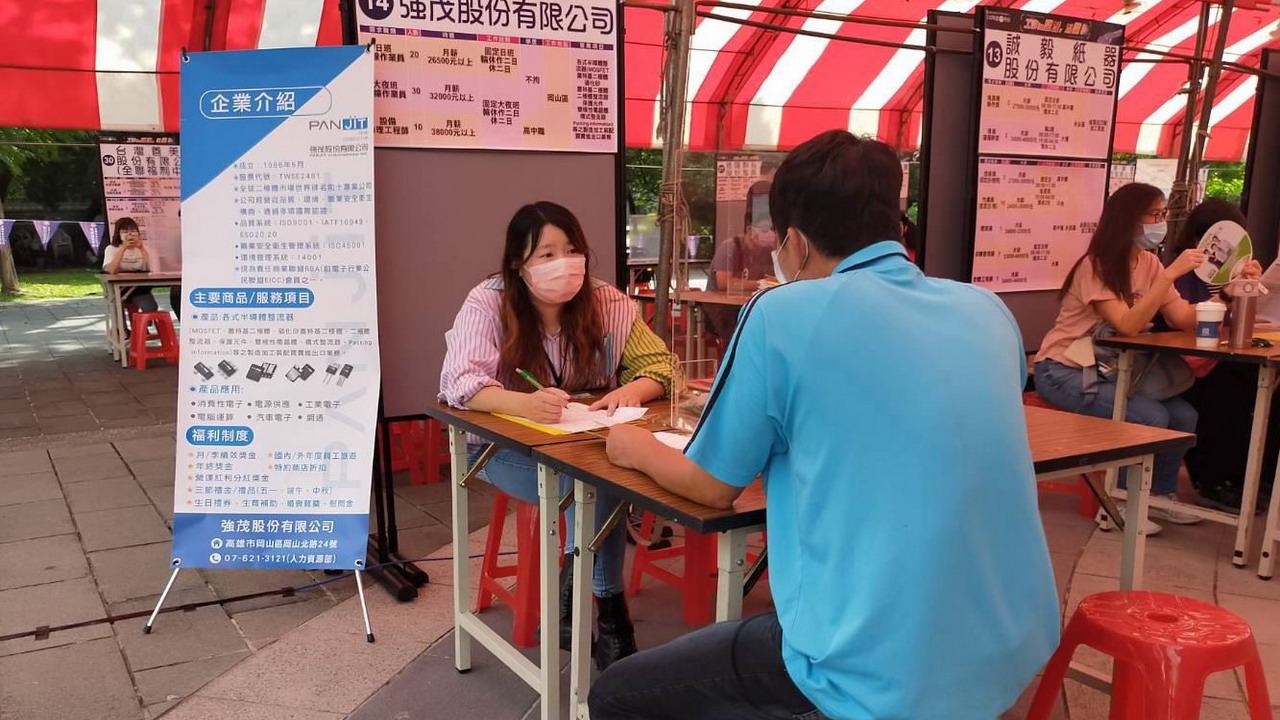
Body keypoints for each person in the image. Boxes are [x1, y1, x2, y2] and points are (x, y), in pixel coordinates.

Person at [591, 130, 1059, 720]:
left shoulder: (781, 314)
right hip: (1013, 647)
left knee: (616, 696)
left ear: (794, 243)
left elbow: (711, 485)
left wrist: (630, 445)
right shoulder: (988, 310)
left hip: (868, 669)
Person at [439, 201, 675, 670]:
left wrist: (630, 389)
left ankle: (581, 603)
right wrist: (521, 403)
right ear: (517, 263)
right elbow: (459, 382)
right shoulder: (489, 300)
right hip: (502, 451)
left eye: (571, 249)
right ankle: (609, 613)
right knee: (598, 479)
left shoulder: (608, 301)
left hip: (582, 442)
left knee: (600, 474)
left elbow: (663, 367)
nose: (563, 263)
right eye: (545, 254)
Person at [1033, 183, 1205, 535]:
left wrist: (1228, 292)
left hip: (1114, 370)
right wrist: (1171, 275)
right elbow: (1128, 324)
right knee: (1148, 415)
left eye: (1162, 215)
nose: (1161, 223)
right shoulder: (1096, 266)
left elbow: (1182, 318)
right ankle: (1120, 502)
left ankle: (1160, 496)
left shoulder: (1150, 263)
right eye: (1154, 216)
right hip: (1063, 368)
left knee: (1184, 414)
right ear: (1128, 220)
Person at [1163, 200, 1271, 511]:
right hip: (1182, 363)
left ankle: (1250, 477)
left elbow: (1236, 321)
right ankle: (1212, 480)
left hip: (1216, 357)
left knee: (1253, 384)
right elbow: (1182, 320)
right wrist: (1227, 295)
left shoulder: (1229, 273)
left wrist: (1250, 287)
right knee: (1227, 390)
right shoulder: (1180, 270)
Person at [704, 180, 777, 338]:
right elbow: (724, 283)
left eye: (773, 229)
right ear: (750, 229)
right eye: (764, 229)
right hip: (725, 313)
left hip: (756, 309)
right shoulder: (731, 247)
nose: (769, 234)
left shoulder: (772, 252)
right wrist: (760, 284)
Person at [103, 217, 159, 335]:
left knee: (150, 307)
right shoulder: (111, 249)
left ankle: (142, 327)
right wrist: (123, 248)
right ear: (118, 234)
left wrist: (142, 248)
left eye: (133, 230)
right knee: (115, 303)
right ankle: (122, 331)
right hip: (119, 288)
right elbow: (112, 270)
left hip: (140, 288)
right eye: (124, 231)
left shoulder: (146, 247)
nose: (130, 234)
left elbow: (154, 268)